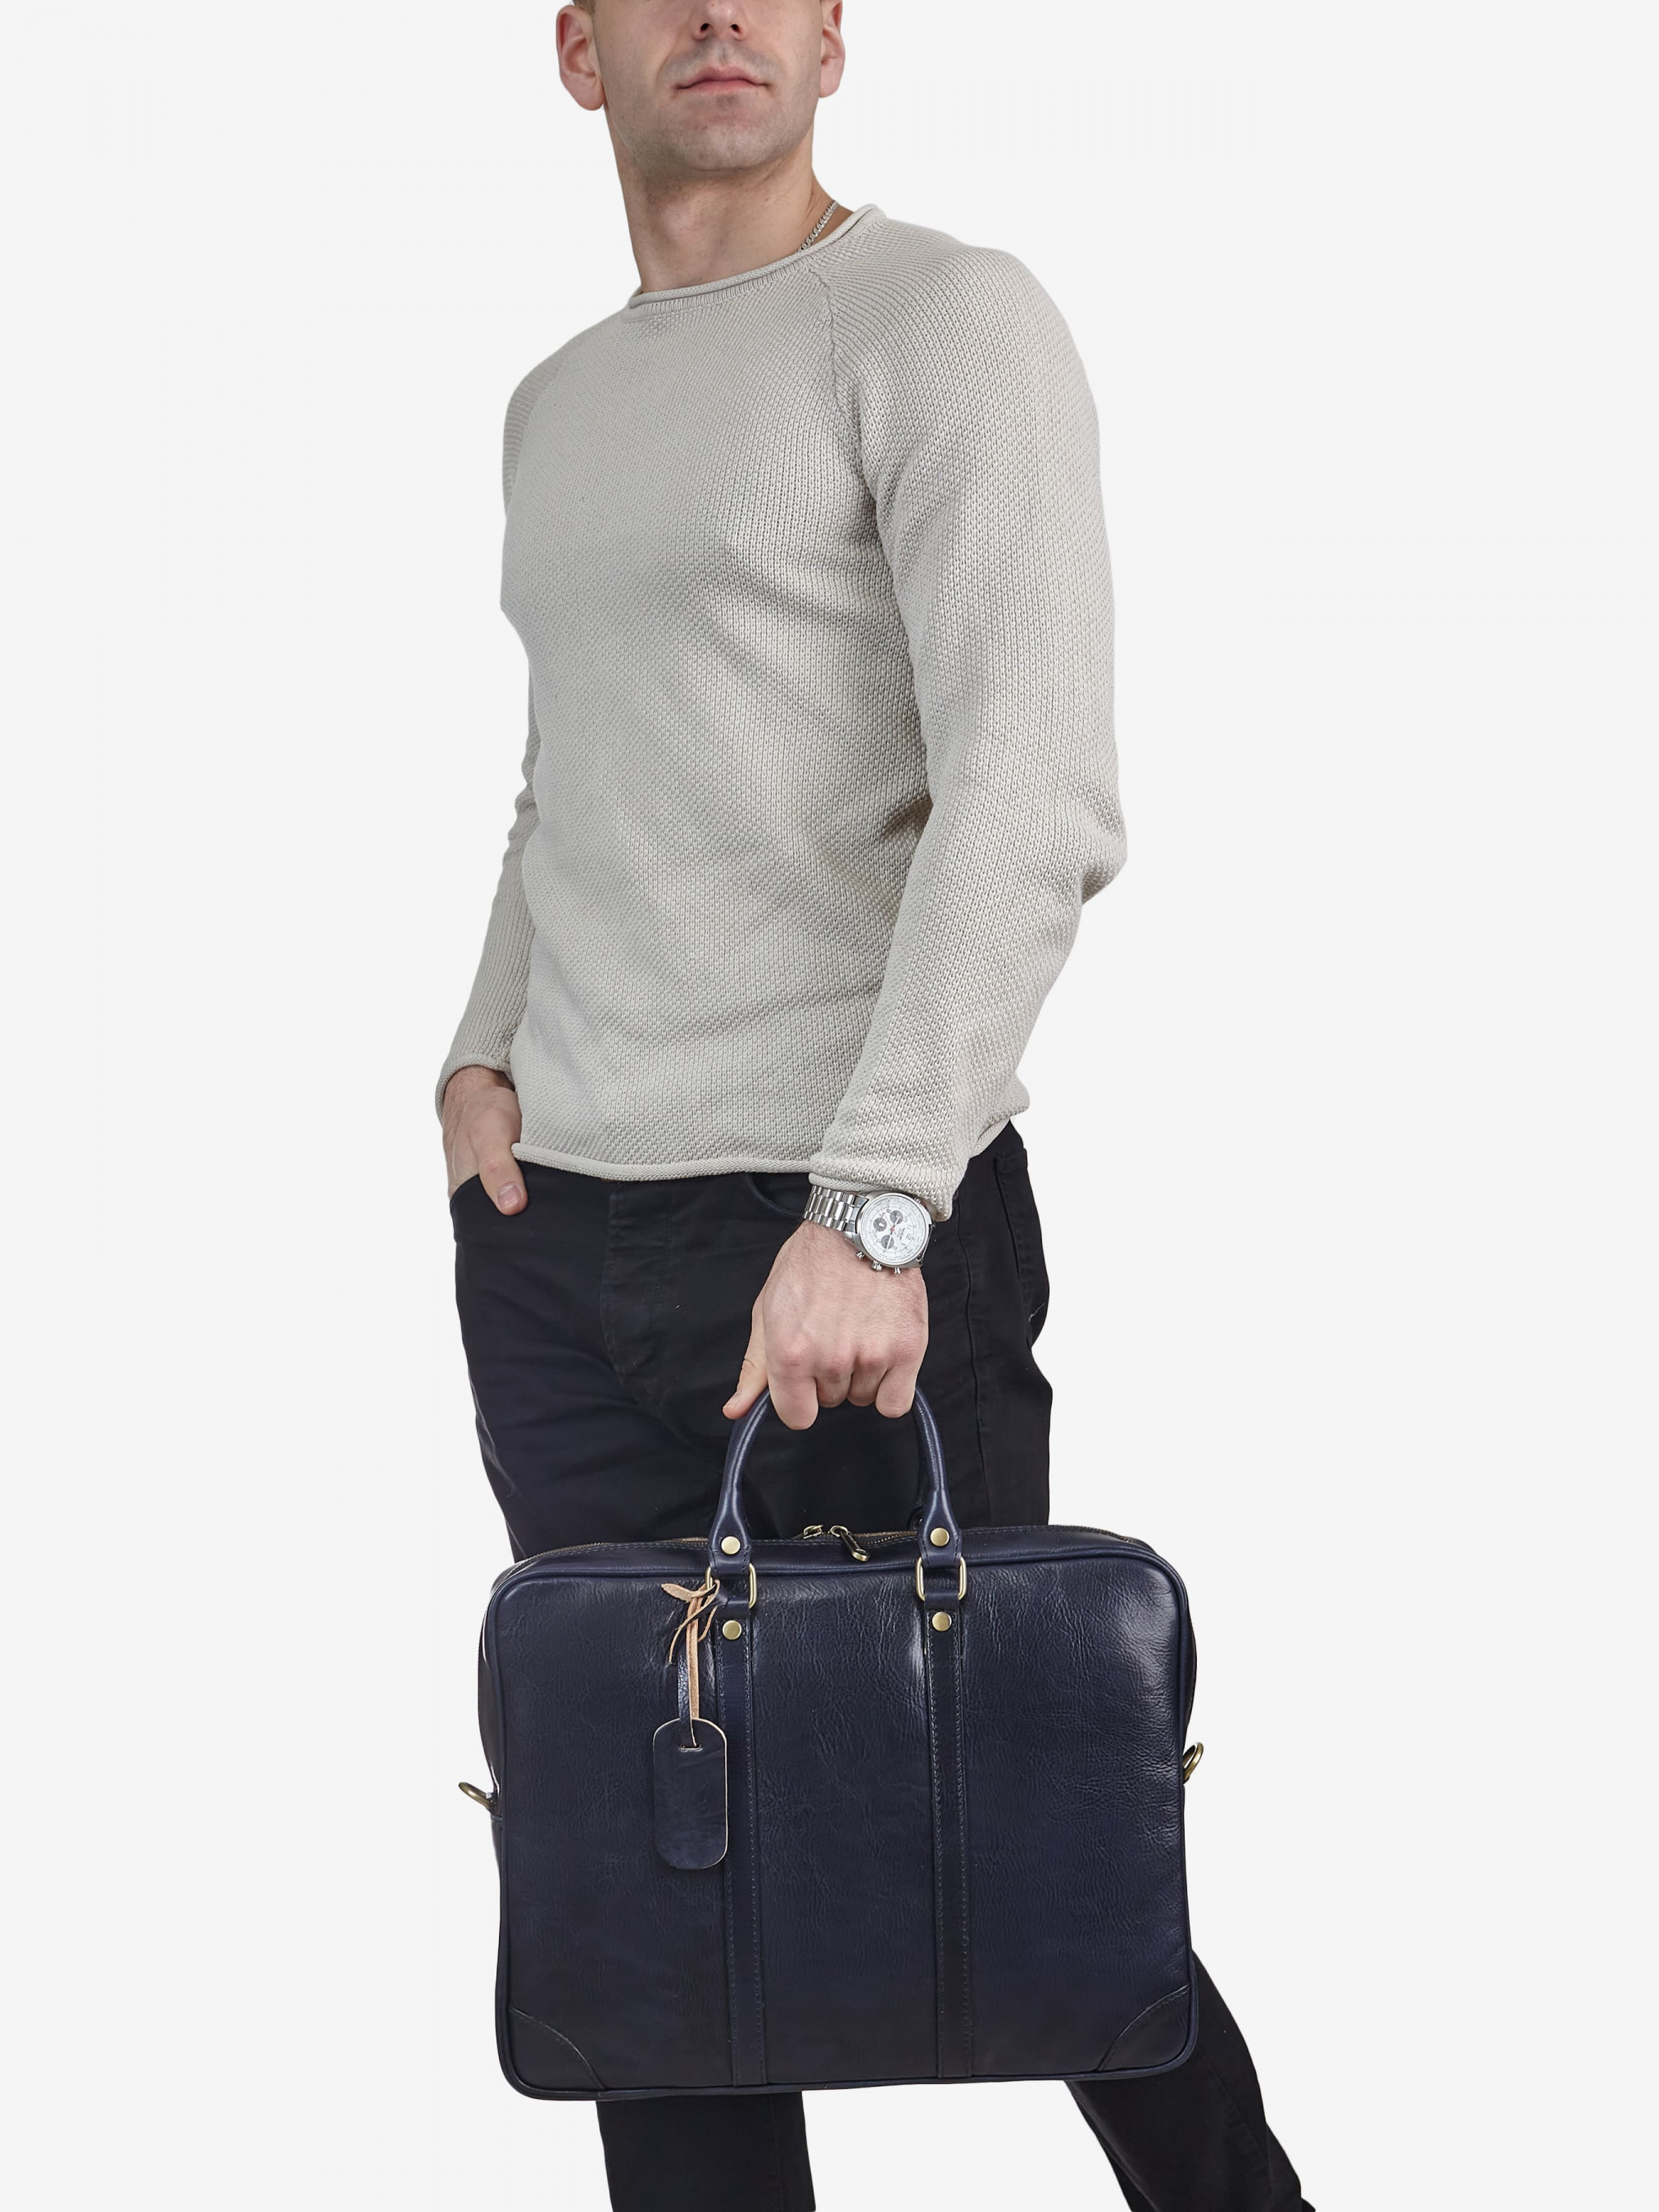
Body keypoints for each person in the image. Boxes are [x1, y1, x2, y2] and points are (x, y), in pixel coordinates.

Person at [439, 4, 1311, 2206]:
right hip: (559, 1237)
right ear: (579, 54)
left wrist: (878, 1204)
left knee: (1033, 1836)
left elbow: (1033, 789)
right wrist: (479, 1053)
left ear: (836, 40)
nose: (720, 15)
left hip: (837, 1228)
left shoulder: (944, 324)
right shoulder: (558, 401)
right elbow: (571, 780)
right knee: (662, 1891)